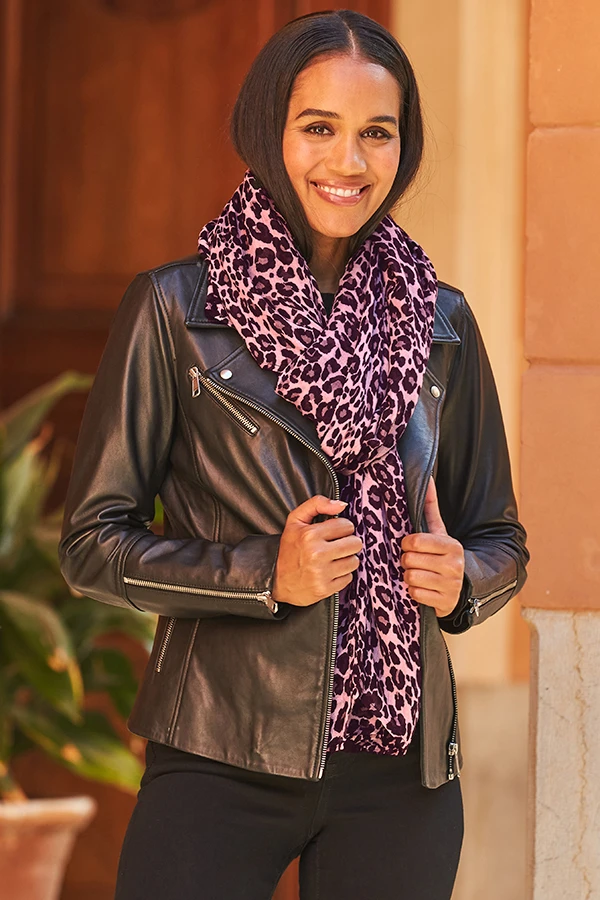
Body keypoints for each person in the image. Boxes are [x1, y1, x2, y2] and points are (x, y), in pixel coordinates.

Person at [59, 9, 529, 900]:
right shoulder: (175, 310)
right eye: (319, 127)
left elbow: (499, 536)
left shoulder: (442, 324)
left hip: (401, 769)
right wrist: (262, 573)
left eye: (377, 133)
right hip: (219, 750)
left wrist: (463, 577)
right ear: (268, 130)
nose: (349, 161)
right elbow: (92, 544)